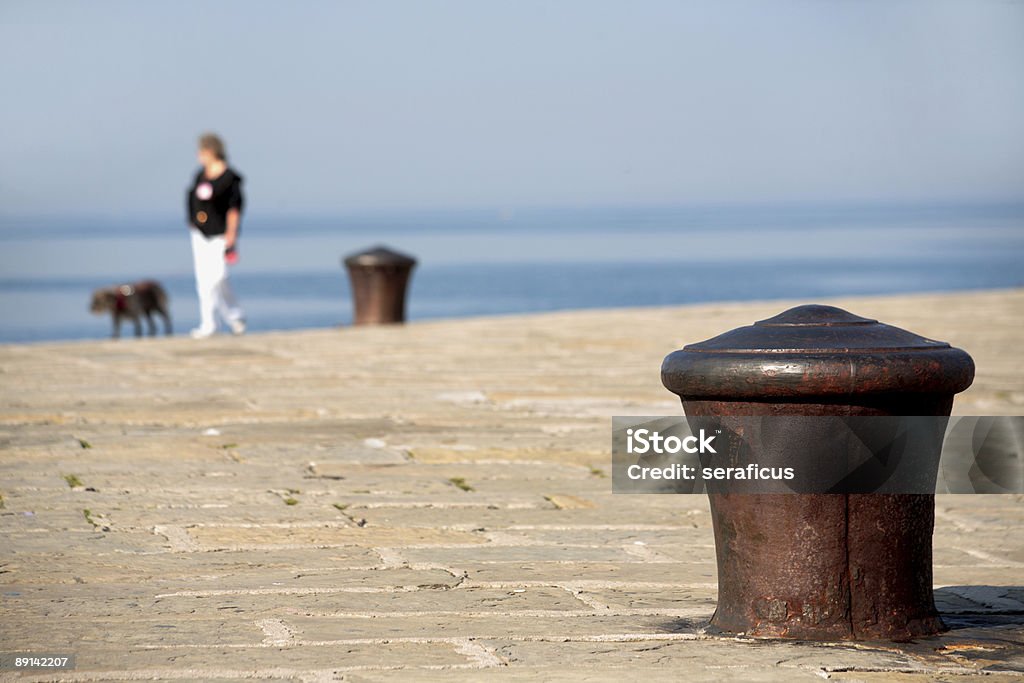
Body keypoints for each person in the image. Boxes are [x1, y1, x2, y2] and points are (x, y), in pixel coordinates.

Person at [186, 133, 246, 338]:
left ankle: (234, 315)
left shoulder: (230, 179)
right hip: (200, 234)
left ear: (211, 152)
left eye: (201, 152)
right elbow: (192, 199)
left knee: (219, 277)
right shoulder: (200, 176)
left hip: (221, 234)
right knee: (203, 280)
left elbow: (234, 209)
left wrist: (232, 234)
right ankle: (208, 322)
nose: (199, 156)